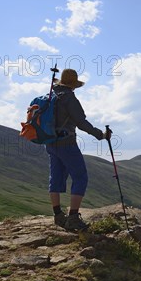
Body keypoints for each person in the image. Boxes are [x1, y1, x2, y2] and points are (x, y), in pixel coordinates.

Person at [46, 68, 112, 231]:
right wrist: (100, 135)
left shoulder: (51, 96)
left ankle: (58, 215)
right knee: (80, 176)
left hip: (50, 142)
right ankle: (73, 218)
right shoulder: (69, 98)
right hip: (66, 143)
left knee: (55, 177)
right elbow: (81, 122)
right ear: (73, 84)